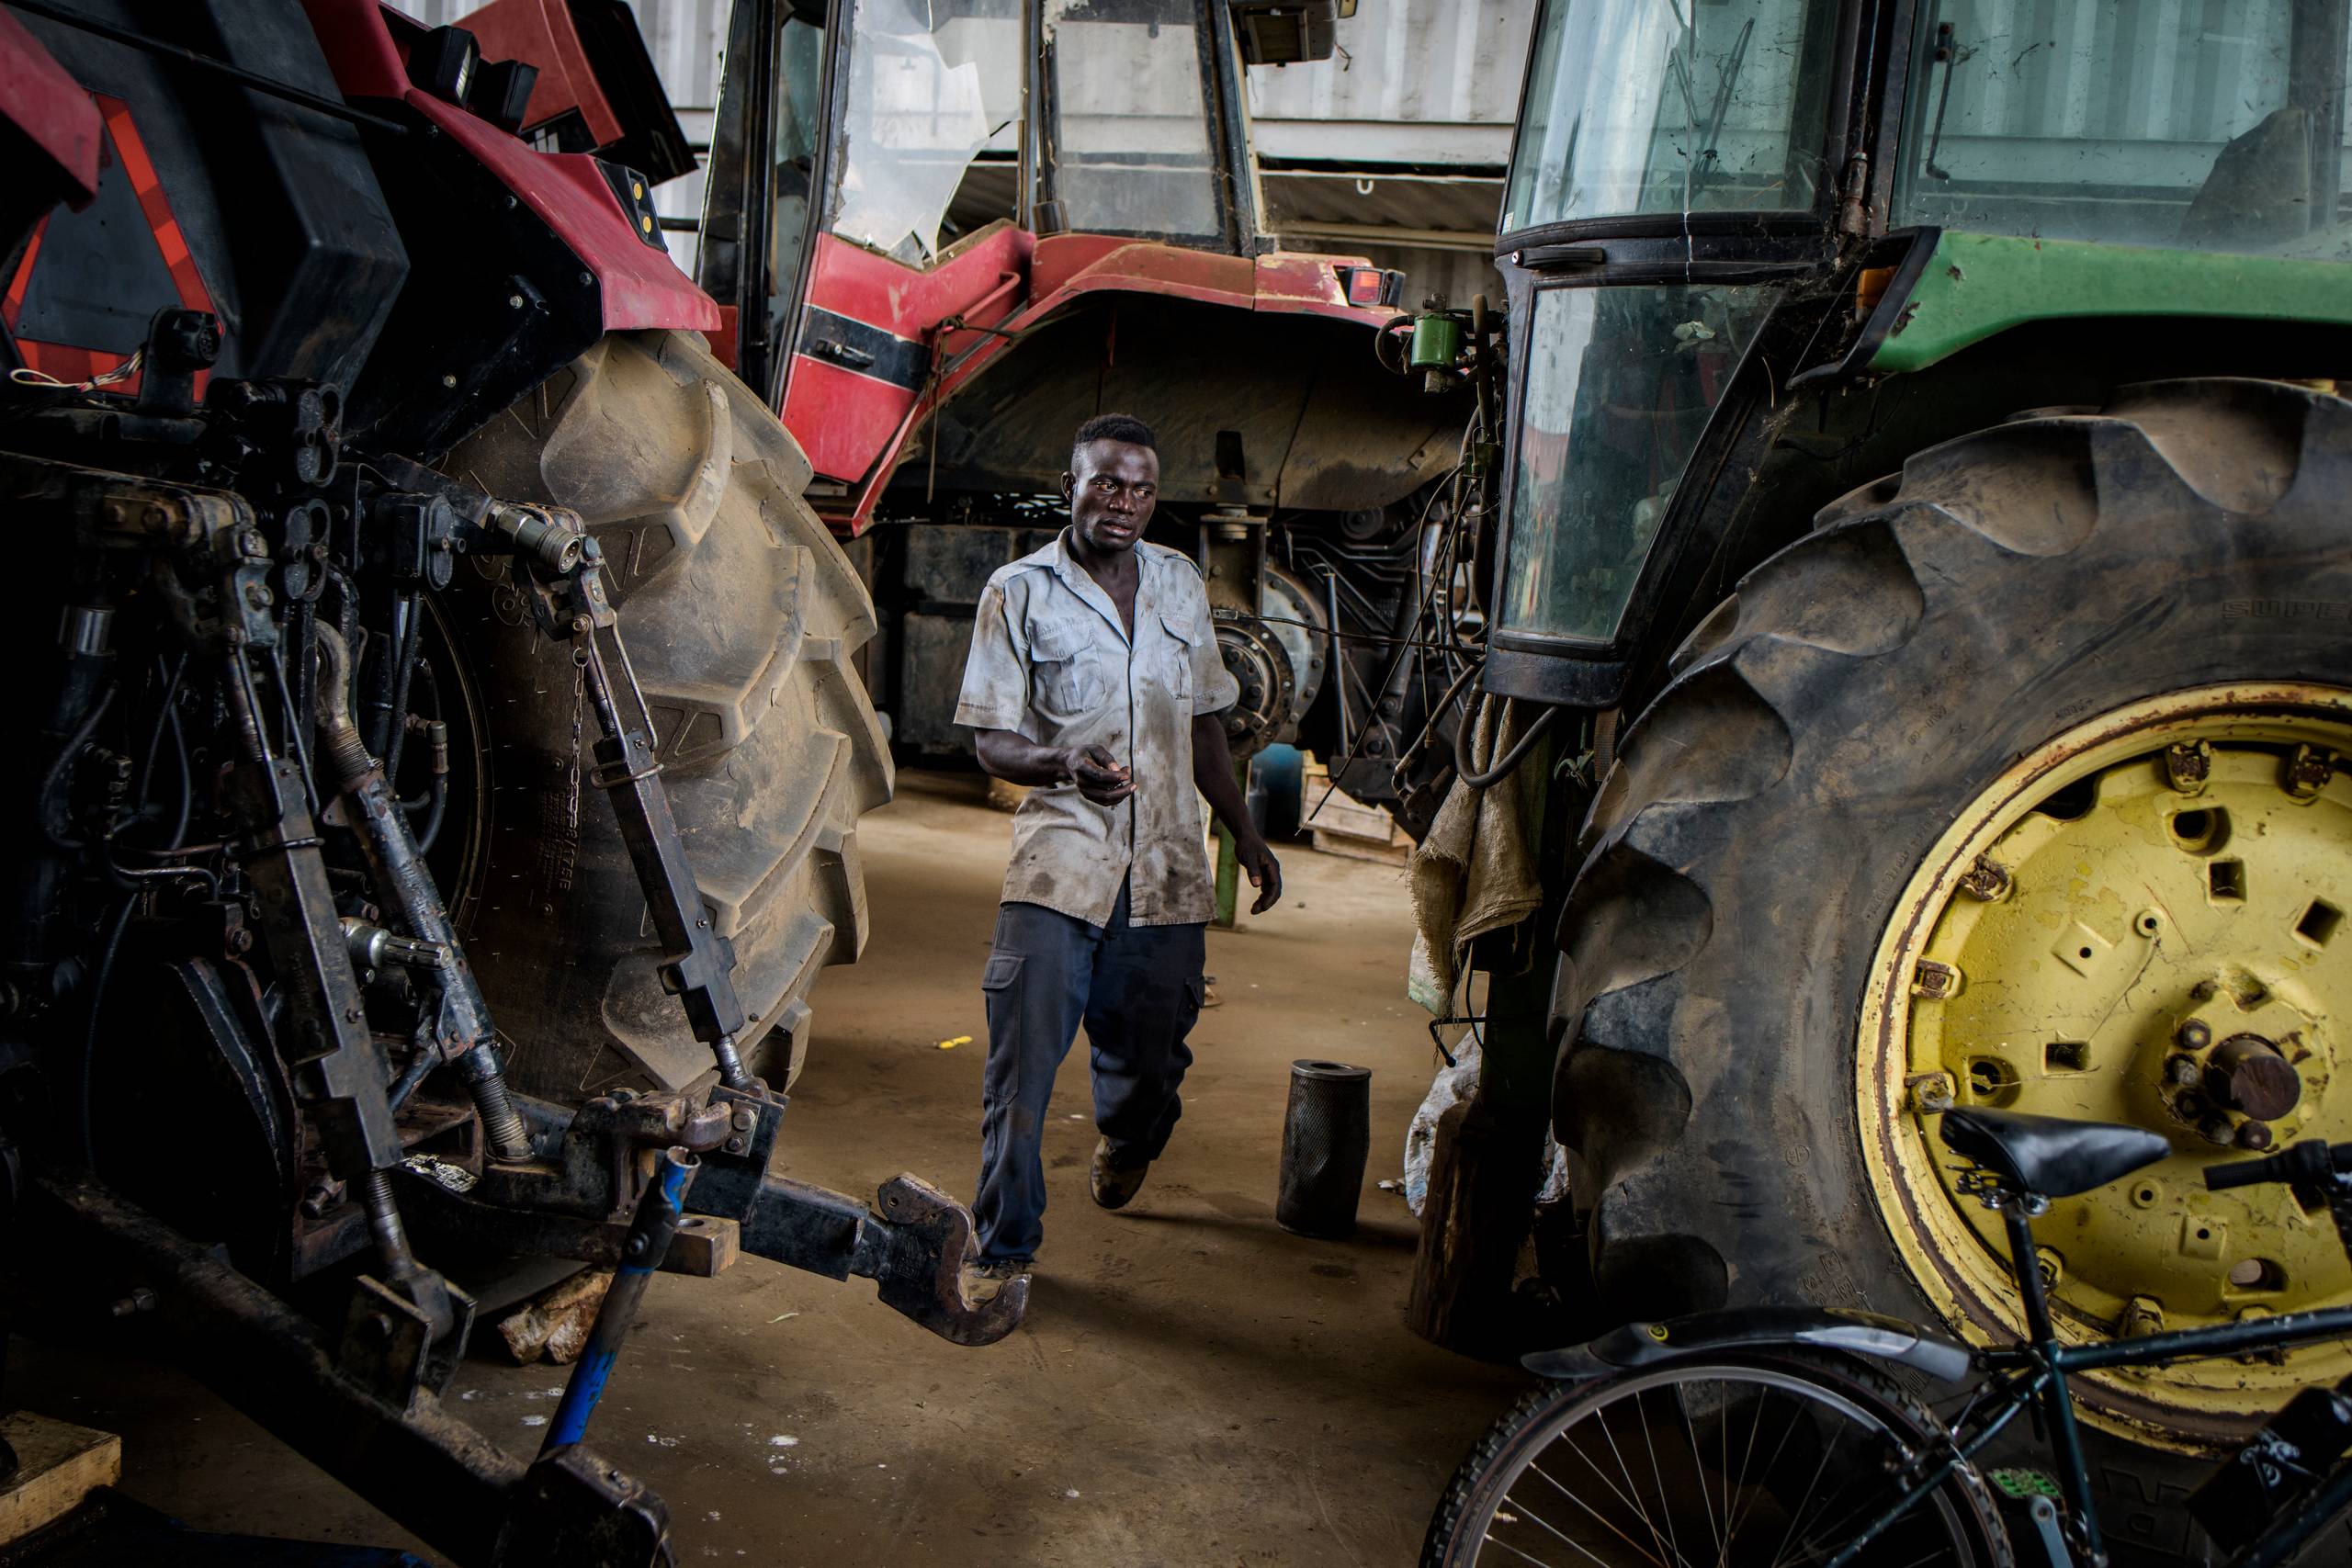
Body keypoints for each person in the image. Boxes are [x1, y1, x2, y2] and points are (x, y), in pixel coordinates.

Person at [952, 412, 1283, 1303]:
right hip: (1060, 863)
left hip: (1168, 867)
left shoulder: (1178, 582)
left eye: (1140, 488)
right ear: (1072, 487)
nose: (1123, 502)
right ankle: (1004, 1245)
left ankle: (1128, 1138)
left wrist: (1244, 830)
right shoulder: (1018, 592)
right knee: (1020, 1070)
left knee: (1152, 1059)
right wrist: (1061, 762)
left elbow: (1205, 722)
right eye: (1105, 483)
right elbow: (990, 740)